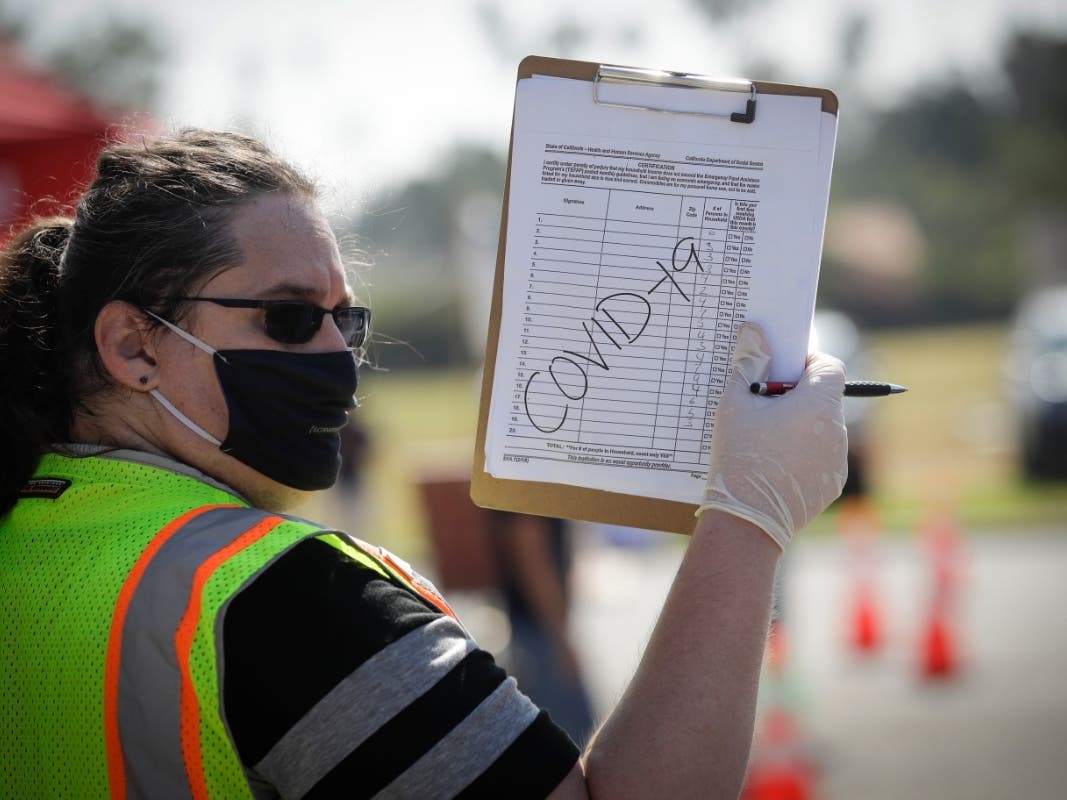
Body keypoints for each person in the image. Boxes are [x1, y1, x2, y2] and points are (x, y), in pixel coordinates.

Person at [0, 128, 847, 799]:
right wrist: (748, 514)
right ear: (130, 346)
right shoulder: (285, 596)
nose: (337, 354)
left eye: (346, 319)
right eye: (291, 320)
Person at [489, 512, 596, 748]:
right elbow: (532, 559)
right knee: (577, 741)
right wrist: (561, 639)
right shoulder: (524, 487)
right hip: (539, 633)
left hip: (534, 630)